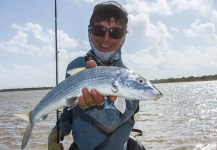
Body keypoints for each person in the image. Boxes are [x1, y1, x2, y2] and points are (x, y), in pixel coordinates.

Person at [48, 1, 146, 150]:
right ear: (89, 31)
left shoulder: (129, 81)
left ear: (124, 37)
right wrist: (58, 131)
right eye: (99, 29)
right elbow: (69, 106)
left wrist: (95, 106)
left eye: (115, 32)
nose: (106, 38)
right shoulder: (75, 66)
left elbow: (112, 122)